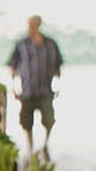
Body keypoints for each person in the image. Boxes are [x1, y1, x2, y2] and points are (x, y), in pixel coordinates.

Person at [7, 15, 63, 156]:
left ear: (38, 25)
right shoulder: (22, 44)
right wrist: (14, 87)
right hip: (28, 91)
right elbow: (13, 66)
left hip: (45, 90)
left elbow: (57, 66)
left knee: (49, 120)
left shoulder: (50, 44)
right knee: (26, 122)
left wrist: (57, 86)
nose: (30, 29)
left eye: (32, 25)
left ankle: (45, 144)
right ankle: (30, 148)